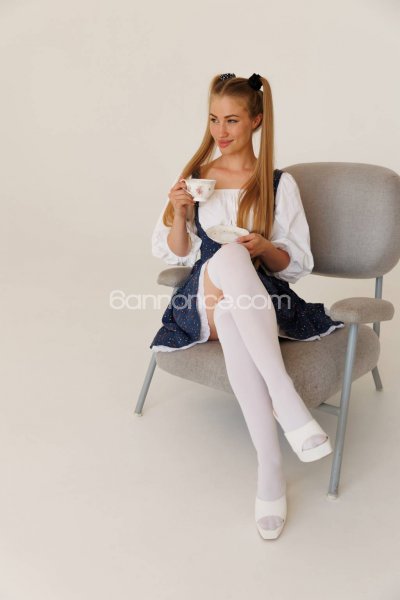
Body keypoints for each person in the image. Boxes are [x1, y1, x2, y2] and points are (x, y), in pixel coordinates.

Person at [149, 73, 345, 540]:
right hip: (202, 300)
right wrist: (180, 213)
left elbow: (295, 265)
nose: (221, 131)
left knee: (237, 283)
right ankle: (287, 401)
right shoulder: (196, 178)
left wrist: (265, 247)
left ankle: (270, 472)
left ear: (256, 121)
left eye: (232, 120)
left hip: (257, 300)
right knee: (227, 258)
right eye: (214, 119)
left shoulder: (278, 184)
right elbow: (175, 252)